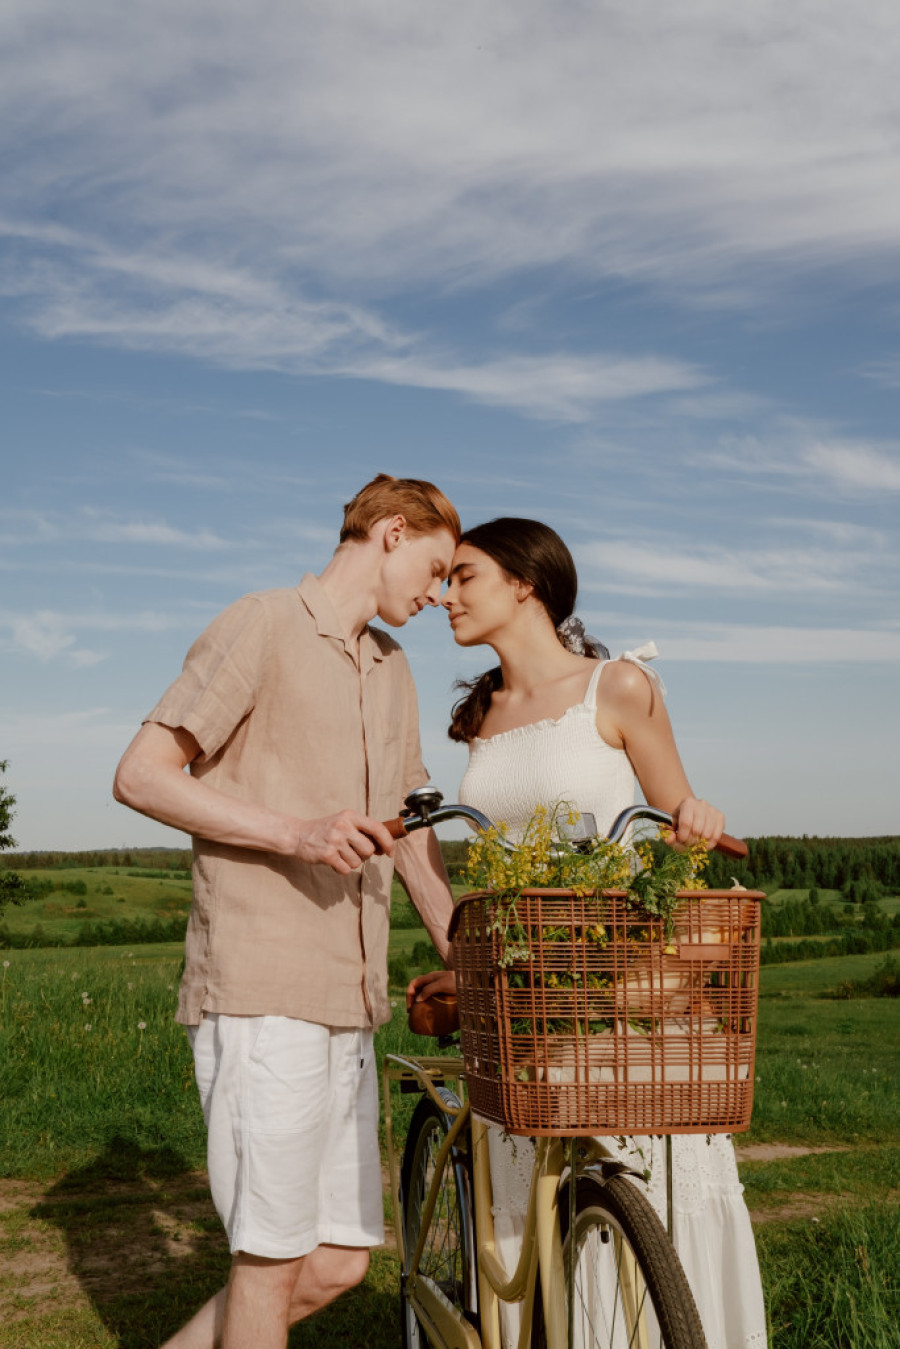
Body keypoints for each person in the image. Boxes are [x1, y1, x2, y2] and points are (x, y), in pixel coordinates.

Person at [113, 474, 461, 1349]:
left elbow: (410, 828)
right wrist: (296, 833)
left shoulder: (391, 666)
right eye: (435, 565)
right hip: (264, 989)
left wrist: (465, 945)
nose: (439, 591)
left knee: (340, 1258)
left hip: (351, 1000)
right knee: (266, 1264)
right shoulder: (261, 624)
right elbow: (142, 774)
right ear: (390, 532)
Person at [409, 518, 768, 1349]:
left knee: (642, 1180)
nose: (446, 596)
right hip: (531, 984)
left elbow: (680, 819)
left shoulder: (620, 685)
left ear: (524, 584)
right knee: (525, 1204)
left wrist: (697, 818)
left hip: (624, 968)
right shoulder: (483, 711)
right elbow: (489, 859)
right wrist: (468, 960)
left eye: (465, 577)